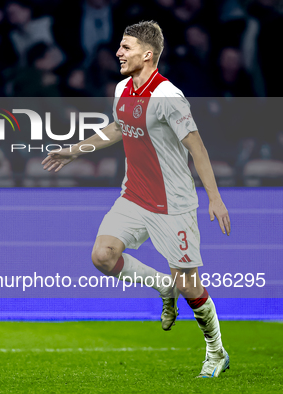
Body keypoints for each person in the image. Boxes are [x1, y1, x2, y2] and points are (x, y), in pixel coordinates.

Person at [42, 21, 231, 378]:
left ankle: (216, 351)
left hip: (173, 203)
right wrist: (74, 150)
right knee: (102, 255)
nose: (118, 53)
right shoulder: (123, 88)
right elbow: (117, 127)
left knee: (190, 286)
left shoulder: (168, 97)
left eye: (125, 47)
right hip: (133, 196)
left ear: (147, 54)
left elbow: (198, 147)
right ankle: (163, 286)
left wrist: (215, 199)